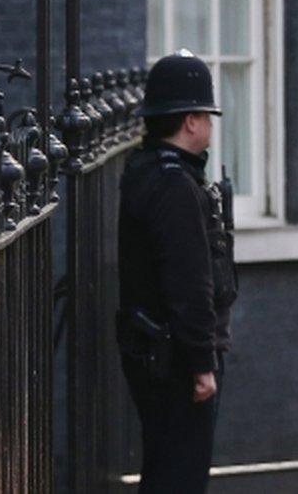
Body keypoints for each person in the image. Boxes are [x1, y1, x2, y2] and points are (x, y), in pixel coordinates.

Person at [117, 49, 237, 493]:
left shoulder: (146, 170)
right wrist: (202, 363)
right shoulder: (174, 185)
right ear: (190, 121)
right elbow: (189, 283)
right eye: (207, 115)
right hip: (176, 362)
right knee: (180, 478)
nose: (209, 124)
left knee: (165, 470)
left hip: (156, 353)